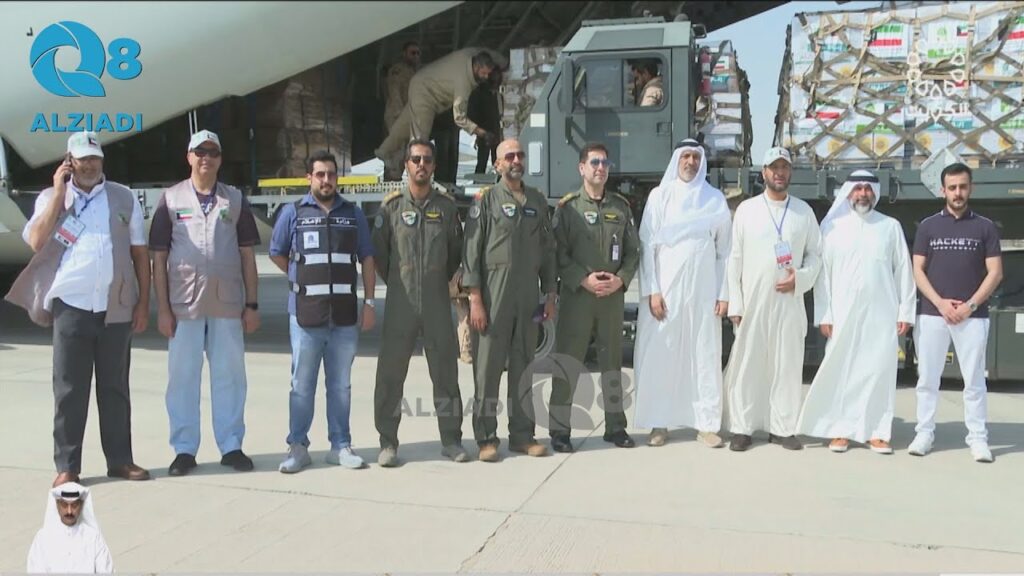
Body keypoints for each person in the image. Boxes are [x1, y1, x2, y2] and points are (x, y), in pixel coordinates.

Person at [6, 131, 151, 486]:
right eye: (83, 159)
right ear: (69, 162)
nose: (89, 165)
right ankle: (67, 466)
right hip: (71, 306)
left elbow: (139, 252)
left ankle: (120, 460)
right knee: (70, 390)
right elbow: (36, 241)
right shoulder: (50, 198)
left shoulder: (122, 196)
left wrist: (143, 302)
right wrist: (59, 193)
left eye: (94, 158)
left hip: (116, 306)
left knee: (115, 388)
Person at [149, 130, 260, 476]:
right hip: (184, 305)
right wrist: (162, 309)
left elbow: (247, 256)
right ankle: (184, 449)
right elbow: (158, 259)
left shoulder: (235, 200)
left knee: (230, 376)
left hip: (227, 304)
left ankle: (231, 445)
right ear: (189, 157)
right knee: (182, 378)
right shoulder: (170, 200)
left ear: (220, 159)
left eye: (213, 152)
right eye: (200, 152)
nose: (206, 158)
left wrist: (252, 305)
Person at [269, 150, 377, 473]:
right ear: (309, 178)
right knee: (301, 386)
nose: (326, 180)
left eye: (331, 174)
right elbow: (277, 252)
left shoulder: (353, 214)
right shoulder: (292, 213)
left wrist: (369, 303)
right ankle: (298, 447)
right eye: (320, 174)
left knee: (340, 386)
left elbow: (367, 258)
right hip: (305, 317)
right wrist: (301, 278)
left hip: (344, 317)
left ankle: (340, 445)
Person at [796, 170, 916, 454]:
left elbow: (903, 270)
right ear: (848, 192)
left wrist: (905, 312)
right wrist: (824, 315)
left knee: (878, 371)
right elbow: (823, 277)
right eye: (858, 188)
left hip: (882, 312)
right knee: (843, 370)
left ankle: (877, 432)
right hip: (842, 312)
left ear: (875, 192)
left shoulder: (890, 226)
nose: (863, 193)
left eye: (868, 188)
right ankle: (840, 430)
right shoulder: (832, 227)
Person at [371, 139, 467, 466]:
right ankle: (387, 442)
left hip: (437, 301)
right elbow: (380, 256)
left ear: (434, 166)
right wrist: (401, 283)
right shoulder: (391, 208)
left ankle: (451, 440)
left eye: (427, 159)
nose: (421, 164)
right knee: (390, 374)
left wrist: (437, 282)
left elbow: (455, 254)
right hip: (401, 303)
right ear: (406, 165)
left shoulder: (447, 208)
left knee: (446, 373)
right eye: (415, 159)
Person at [463, 138, 557, 462]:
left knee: (524, 366)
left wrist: (550, 293)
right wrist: (475, 298)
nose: (516, 160)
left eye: (520, 155)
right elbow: (471, 252)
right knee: (487, 369)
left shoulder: (537, 200)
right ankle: (486, 438)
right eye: (509, 156)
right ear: (498, 164)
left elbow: (548, 249)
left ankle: (522, 435)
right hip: (493, 294)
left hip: (527, 295)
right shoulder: (486, 200)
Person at [633, 139, 731, 448]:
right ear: (677, 160)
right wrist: (653, 291)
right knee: (661, 354)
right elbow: (647, 246)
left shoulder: (715, 199)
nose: (690, 162)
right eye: (685, 156)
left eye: (695, 157)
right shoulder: (660, 196)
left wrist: (723, 293)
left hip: (704, 292)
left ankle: (706, 425)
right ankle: (658, 423)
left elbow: (725, 252)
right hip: (666, 292)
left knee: (704, 354)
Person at [723, 146, 821, 452]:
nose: (779, 173)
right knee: (748, 366)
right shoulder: (747, 210)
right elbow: (734, 259)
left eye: (784, 167)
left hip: (789, 303)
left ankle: (782, 428)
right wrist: (736, 303)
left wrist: (800, 279)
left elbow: (815, 256)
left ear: (790, 172)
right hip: (753, 303)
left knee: (787, 366)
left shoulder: (804, 212)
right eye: (774, 167)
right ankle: (742, 427)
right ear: (764, 172)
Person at [548, 143, 640, 453]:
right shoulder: (568, 208)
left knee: (612, 363)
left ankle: (615, 427)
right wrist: (582, 279)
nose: (601, 168)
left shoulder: (621, 207)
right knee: (568, 362)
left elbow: (633, 252)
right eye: (595, 162)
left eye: (605, 163)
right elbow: (557, 253)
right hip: (578, 297)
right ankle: (560, 430)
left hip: (611, 297)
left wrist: (621, 279)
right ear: (582, 168)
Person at [909, 162, 1003, 463]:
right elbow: (918, 270)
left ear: (970, 188)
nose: (958, 192)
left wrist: (969, 306)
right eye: (952, 187)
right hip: (932, 314)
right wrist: (940, 303)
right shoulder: (927, 227)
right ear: (943, 190)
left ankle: (978, 438)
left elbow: (995, 272)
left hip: (972, 317)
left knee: (974, 381)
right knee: (927, 379)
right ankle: (924, 433)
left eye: (963, 186)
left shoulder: (985, 227)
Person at [375, 48, 504, 180]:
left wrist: (503, 62)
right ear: (476, 67)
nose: (486, 77)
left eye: (488, 74)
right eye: (484, 73)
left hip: (420, 84)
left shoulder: (467, 56)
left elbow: (477, 49)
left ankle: (383, 151)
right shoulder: (463, 83)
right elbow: (459, 118)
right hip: (427, 96)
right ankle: (416, 179)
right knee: (420, 141)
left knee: (402, 126)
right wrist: (483, 133)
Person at [27, 482, 113, 573]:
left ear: (81, 505)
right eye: (64, 505)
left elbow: (106, 570)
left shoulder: (93, 537)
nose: (69, 511)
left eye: (74, 505)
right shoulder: (43, 538)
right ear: (57, 505)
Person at [469, 67, 503, 174]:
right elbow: (475, 114)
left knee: (495, 161)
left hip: (493, 130)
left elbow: (498, 114)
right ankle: (479, 181)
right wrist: (479, 132)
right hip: (485, 131)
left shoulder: (496, 95)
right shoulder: (481, 94)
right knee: (482, 162)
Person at [383, 41, 421, 135]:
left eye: (418, 53)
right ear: (404, 54)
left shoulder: (415, 72)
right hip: (397, 116)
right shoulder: (397, 71)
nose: (416, 56)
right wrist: (400, 115)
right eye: (413, 53)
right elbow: (394, 93)